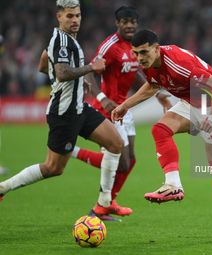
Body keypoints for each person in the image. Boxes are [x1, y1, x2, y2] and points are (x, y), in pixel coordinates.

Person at [113, 29, 212, 238]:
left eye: (144, 52)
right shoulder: (149, 63)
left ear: (156, 49)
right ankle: (173, 184)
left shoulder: (178, 64)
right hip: (191, 101)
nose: (140, 58)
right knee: (160, 129)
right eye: (136, 53)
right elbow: (152, 85)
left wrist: (211, 116)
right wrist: (125, 105)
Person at [0, 0, 125, 217]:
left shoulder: (66, 39)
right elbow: (62, 73)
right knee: (53, 168)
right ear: (59, 17)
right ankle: (3, 188)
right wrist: (90, 68)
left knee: (115, 143)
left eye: (77, 15)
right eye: (69, 16)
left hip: (79, 107)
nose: (75, 20)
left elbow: (44, 63)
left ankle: (105, 201)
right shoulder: (61, 41)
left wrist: (76, 81)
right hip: (64, 113)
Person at [67, 5, 172, 221]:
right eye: (125, 21)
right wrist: (102, 99)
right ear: (118, 23)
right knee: (121, 162)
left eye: (133, 21)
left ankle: (105, 205)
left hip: (125, 108)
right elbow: (90, 73)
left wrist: (156, 91)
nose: (130, 25)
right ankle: (70, 150)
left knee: (130, 160)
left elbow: (133, 74)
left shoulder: (135, 47)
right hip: (108, 110)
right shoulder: (110, 47)